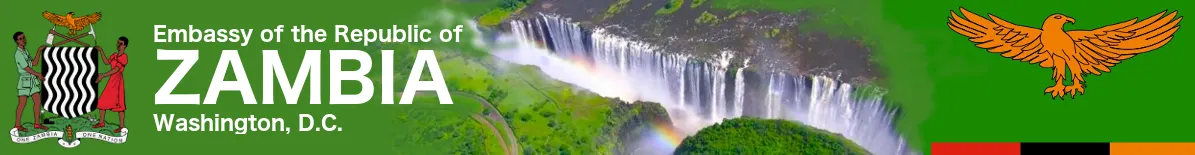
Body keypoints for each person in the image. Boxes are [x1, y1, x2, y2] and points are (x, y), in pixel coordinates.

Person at [13, 31, 48, 131]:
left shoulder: (25, 51)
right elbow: (26, 68)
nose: (23, 40)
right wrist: (38, 74)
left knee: (37, 101)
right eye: (20, 39)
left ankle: (37, 124)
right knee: (22, 104)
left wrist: (39, 51)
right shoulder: (18, 53)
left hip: (32, 80)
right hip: (25, 81)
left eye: (23, 37)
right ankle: (17, 125)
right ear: (17, 41)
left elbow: (34, 63)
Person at [93, 36, 127, 132]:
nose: (118, 45)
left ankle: (122, 126)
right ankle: (101, 122)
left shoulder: (124, 57)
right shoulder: (114, 55)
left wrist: (103, 75)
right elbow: (107, 62)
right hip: (111, 80)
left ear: (125, 46)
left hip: (118, 81)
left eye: (121, 44)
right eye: (118, 43)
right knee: (102, 100)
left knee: (119, 104)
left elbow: (116, 69)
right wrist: (101, 51)